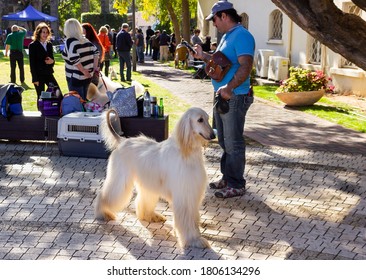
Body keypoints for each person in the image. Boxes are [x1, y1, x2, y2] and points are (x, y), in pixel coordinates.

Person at [193, 1, 255, 198]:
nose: (214, 24)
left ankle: (237, 183)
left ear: (224, 16)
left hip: (234, 96)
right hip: (223, 95)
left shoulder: (242, 36)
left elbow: (246, 66)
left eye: (215, 19)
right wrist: (203, 56)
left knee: (233, 141)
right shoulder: (227, 36)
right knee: (223, 139)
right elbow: (221, 62)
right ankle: (227, 178)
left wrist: (229, 88)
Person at [62, 18, 99, 100]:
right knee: (84, 101)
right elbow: (96, 53)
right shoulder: (85, 40)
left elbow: (74, 59)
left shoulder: (70, 41)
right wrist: (93, 68)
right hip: (87, 77)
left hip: (75, 77)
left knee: (77, 102)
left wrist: (83, 71)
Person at [28, 22, 59, 107]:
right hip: (38, 75)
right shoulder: (33, 45)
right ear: (38, 33)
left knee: (57, 92)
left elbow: (52, 59)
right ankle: (41, 113)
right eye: (43, 32)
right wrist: (35, 78)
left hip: (48, 73)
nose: (45, 34)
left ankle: (53, 110)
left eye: (46, 32)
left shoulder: (49, 44)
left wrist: (52, 62)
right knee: (40, 96)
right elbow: (32, 63)